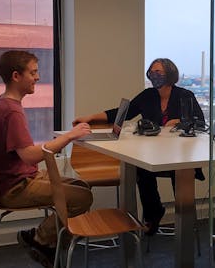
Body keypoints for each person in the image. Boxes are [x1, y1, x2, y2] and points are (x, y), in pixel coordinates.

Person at [0, 50, 93, 268]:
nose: (37, 77)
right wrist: (70, 136)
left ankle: (45, 243)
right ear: (16, 76)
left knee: (82, 187)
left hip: (13, 180)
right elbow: (30, 156)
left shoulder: (0, 103)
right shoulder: (12, 111)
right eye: (33, 72)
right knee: (82, 199)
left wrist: (1, 144)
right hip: (15, 187)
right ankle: (42, 240)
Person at [72, 58, 205, 235]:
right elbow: (123, 113)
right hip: (156, 155)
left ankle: (185, 223)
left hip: (180, 156)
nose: (153, 75)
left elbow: (200, 123)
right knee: (141, 170)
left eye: (159, 72)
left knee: (178, 174)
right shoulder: (148, 95)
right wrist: (90, 117)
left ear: (170, 74)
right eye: (151, 71)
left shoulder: (184, 95)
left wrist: (181, 121)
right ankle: (154, 213)